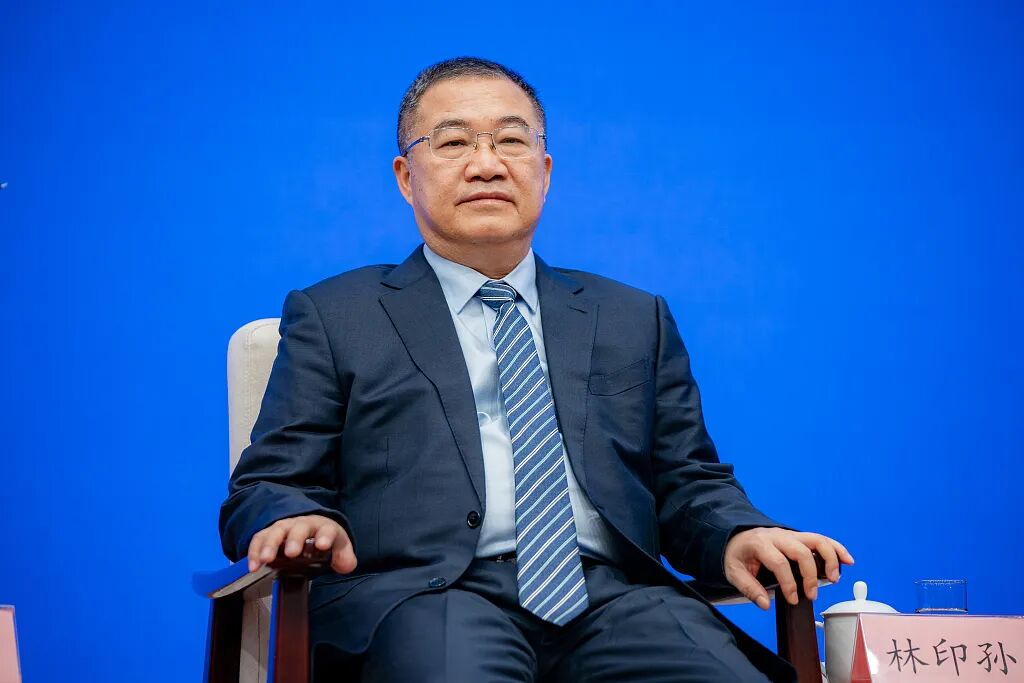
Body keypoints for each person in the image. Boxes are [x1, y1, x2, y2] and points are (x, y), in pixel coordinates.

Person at [219, 57, 854, 682]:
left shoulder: (633, 318)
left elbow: (689, 484)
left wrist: (737, 534)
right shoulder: (338, 315)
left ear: (544, 173)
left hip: (615, 601)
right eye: (454, 142)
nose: (487, 164)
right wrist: (293, 518)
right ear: (406, 177)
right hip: (428, 600)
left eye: (512, 141)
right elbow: (271, 479)